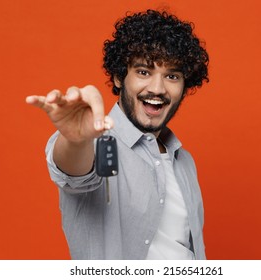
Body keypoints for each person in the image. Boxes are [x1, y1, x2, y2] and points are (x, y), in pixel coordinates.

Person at [26, 9, 209, 260]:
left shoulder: (184, 160)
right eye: (143, 72)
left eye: (171, 76)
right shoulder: (101, 146)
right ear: (119, 77)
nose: (157, 88)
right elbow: (76, 174)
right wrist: (76, 140)